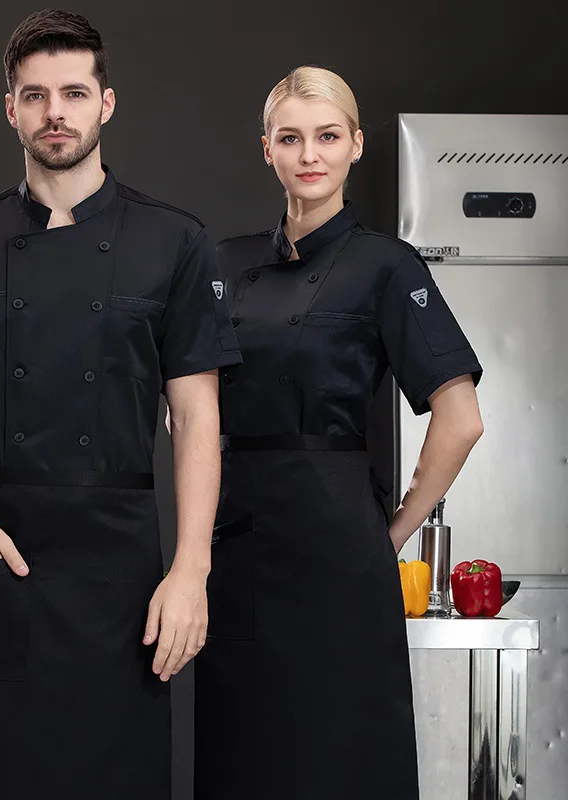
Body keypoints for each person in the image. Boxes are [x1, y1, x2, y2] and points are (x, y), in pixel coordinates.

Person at [0, 10, 241, 799]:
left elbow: (198, 422)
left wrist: (190, 569)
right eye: (35, 95)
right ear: (11, 108)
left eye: (74, 92)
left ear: (105, 103)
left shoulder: (173, 241)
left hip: (120, 574)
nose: (56, 112)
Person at [192, 66, 484, 799]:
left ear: (356, 146)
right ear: (267, 150)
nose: (309, 154)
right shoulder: (223, 265)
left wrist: (389, 533)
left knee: (343, 755)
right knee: (242, 752)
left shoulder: (386, 265)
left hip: (338, 549)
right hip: (237, 548)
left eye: (327, 136)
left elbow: (461, 418)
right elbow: (186, 403)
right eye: (290, 138)